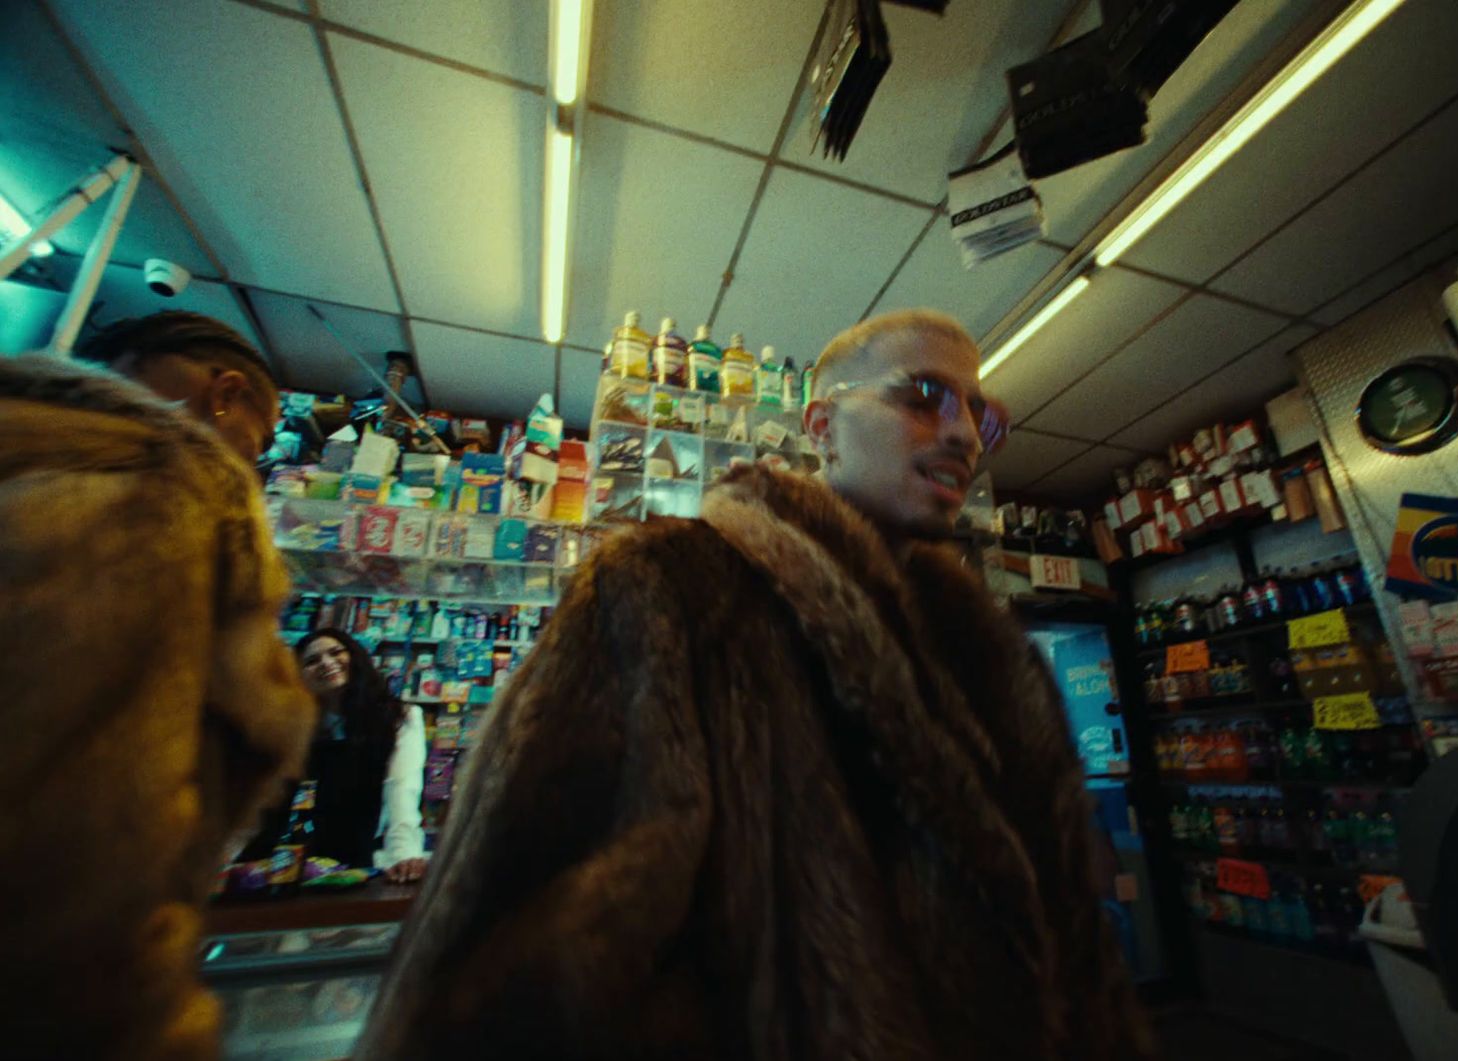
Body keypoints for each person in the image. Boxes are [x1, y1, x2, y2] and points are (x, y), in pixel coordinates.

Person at [358, 308, 1151, 1060]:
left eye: (983, 413)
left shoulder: (991, 655)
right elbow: (512, 973)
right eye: (923, 395)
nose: (961, 432)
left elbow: (1069, 951)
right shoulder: (668, 594)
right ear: (820, 427)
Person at [0, 312, 316, 1059]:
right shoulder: (157, 495)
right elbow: (83, 853)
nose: (253, 462)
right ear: (224, 394)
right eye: (263, 441)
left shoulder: (30, 446)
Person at [243, 629, 429, 882]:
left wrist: (405, 853)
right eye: (312, 661)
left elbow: (401, 787)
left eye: (335, 652)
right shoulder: (293, 726)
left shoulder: (400, 717)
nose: (326, 663)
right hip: (279, 858)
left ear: (355, 656)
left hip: (349, 858)